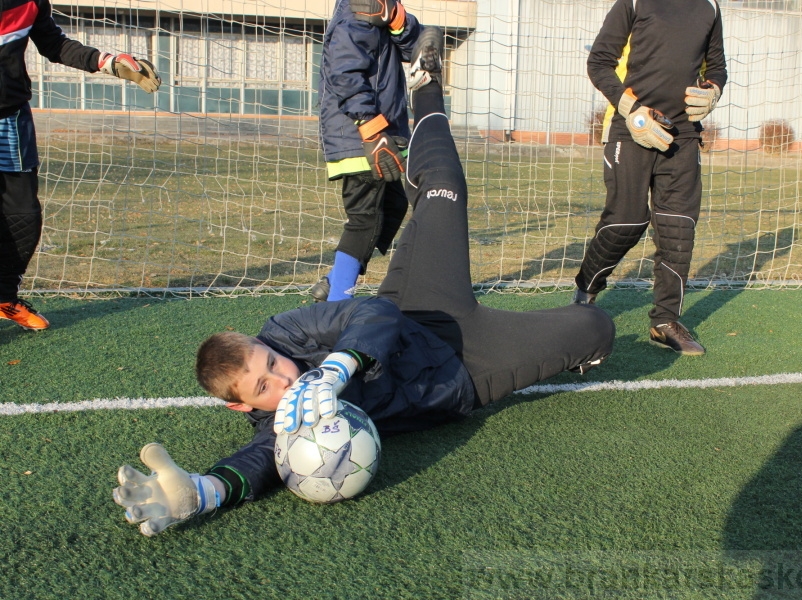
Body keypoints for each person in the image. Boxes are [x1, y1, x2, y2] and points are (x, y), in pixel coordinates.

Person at [112, 28, 616, 537]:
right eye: (264, 386)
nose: (283, 379)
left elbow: (373, 313)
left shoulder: (286, 332)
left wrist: (335, 369)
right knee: (595, 327)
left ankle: (425, 88)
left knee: (443, 189)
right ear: (245, 405)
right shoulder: (285, 428)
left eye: (271, 363)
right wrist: (206, 491)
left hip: (419, 305)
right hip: (464, 371)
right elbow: (259, 462)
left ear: (264, 345)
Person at [572, 0, 727, 356]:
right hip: (632, 129)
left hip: (683, 136)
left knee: (678, 227)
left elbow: (717, 66)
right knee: (626, 221)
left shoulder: (710, 7)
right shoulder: (633, 2)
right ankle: (585, 292)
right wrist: (630, 110)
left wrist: (714, 91)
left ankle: (665, 321)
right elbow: (599, 62)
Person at [0, 0, 160, 330]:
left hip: (10, 117)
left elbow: (53, 43)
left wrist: (108, 62)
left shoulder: (30, 2)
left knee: (23, 216)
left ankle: (3, 297)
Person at [309, 0, 423, 302]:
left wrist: (398, 18)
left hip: (384, 133)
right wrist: (369, 127)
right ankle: (337, 304)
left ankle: (336, 279)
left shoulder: (381, 8)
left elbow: (417, 52)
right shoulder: (355, 11)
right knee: (365, 220)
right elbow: (344, 71)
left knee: (394, 206)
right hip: (360, 136)